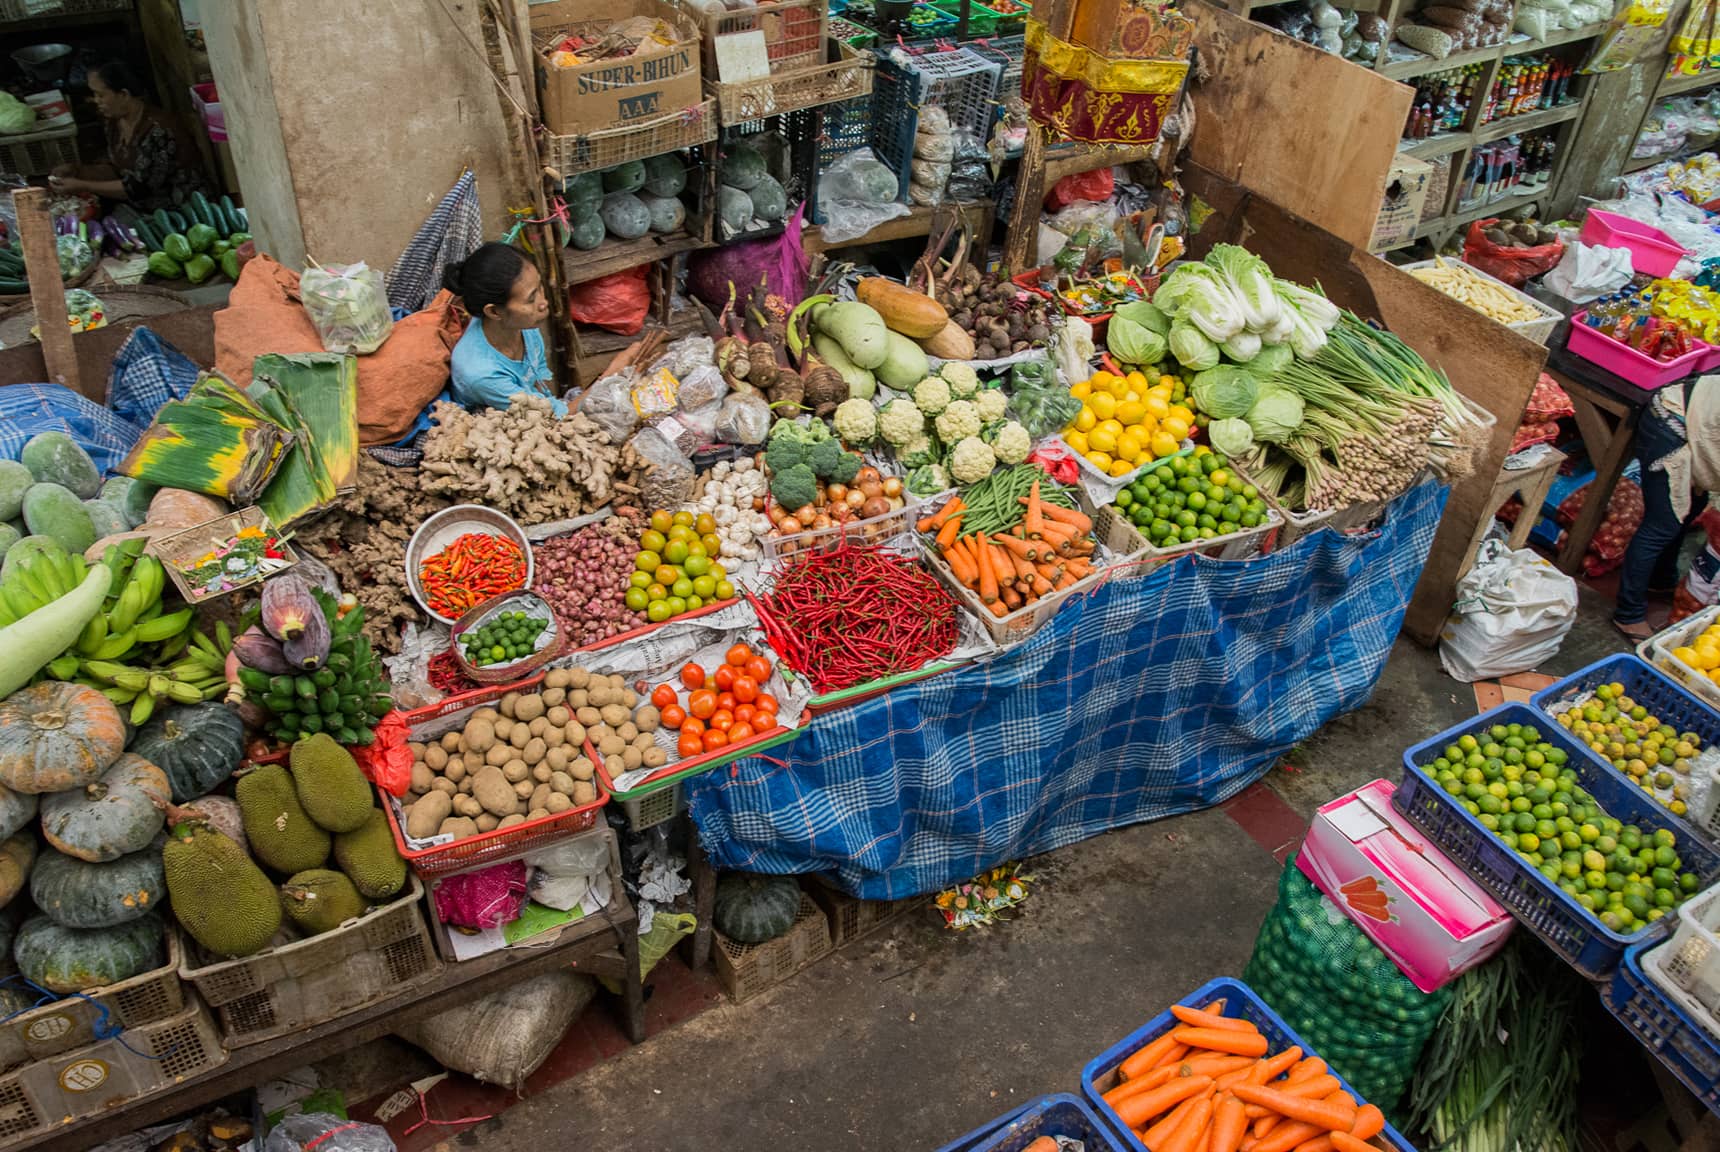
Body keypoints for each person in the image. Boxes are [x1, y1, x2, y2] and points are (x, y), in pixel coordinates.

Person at [1613, 376, 1720, 640]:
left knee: (1688, 513)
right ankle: (1628, 614)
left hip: (1695, 421)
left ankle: (1660, 579)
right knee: (1662, 525)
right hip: (1673, 423)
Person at [50, 61, 210, 212]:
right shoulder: (114, 121)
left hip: (176, 211)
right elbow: (117, 169)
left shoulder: (159, 130)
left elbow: (137, 189)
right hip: (139, 205)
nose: (95, 101)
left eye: (100, 95)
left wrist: (81, 185)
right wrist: (77, 170)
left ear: (124, 95)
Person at [445, 242, 563, 415]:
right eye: (531, 299)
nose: (543, 302)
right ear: (494, 311)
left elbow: (539, 378)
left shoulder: (523, 324)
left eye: (540, 287)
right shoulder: (482, 374)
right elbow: (550, 417)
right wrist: (607, 375)